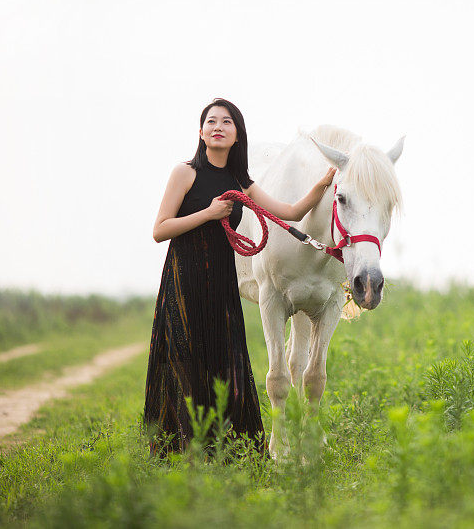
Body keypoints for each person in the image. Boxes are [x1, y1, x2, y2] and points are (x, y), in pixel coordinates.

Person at [144, 98, 336, 456]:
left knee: (225, 363)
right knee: (186, 361)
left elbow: (290, 211)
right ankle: (182, 451)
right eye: (211, 121)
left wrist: (325, 184)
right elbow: (160, 230)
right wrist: (209, 212)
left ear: (237, 135)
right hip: (184, 277)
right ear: (201, 133)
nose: (218, 126)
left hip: (222, 280)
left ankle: (228, 452)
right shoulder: (184, 173)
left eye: (227, 122)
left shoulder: (241, 182)